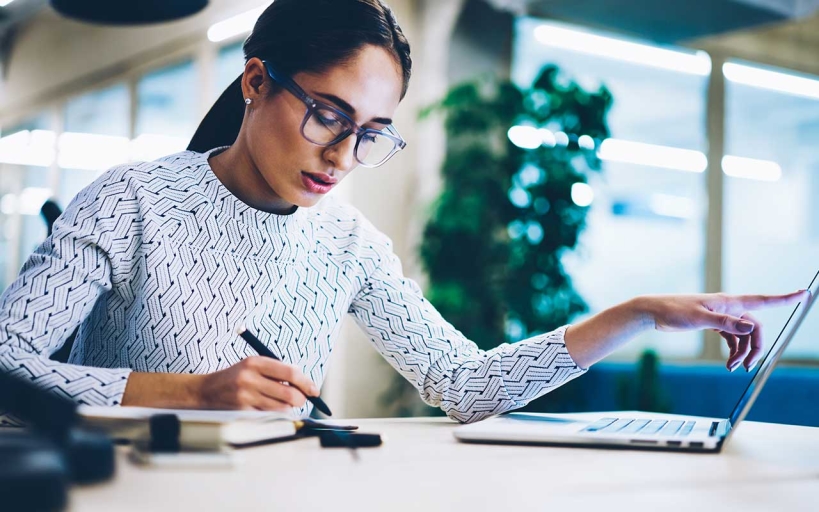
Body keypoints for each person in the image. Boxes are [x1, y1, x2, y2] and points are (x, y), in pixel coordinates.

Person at [0, 0, 807, 424]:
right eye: (328, 115)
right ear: (255, 82)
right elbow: (7, 364)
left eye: (370, 134)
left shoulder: (347, 241)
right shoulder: (133, 200)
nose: (342, 155)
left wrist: (634, 315)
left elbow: (463, 383)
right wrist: (188, 393)